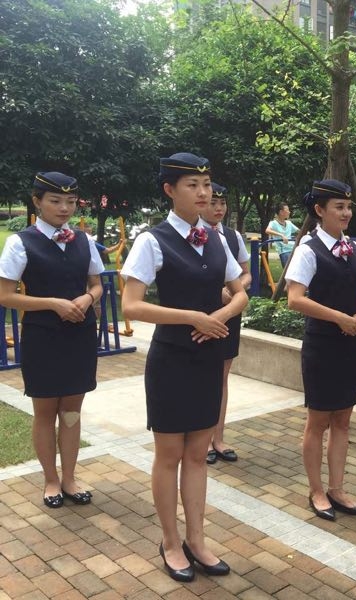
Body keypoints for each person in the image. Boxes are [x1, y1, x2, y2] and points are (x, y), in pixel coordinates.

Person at [121, 153, 247, 582]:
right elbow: (131, 305)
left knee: (197, 455)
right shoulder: (152, 240)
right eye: (192, 184)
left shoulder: (216, 239)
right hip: (172, 360)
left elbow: (240, 291)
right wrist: (193, 317)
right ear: (169, 190)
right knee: (169, 454)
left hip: (208, 358)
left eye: (206, 184)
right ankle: (171, 542)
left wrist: (221, 315)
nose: (204, 192)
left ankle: (197, 539)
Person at [0, 171, 103, 509]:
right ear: (37, 202)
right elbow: (5, 295)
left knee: (72, 410)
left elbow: (97, 284)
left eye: (70, 202)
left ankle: (70, 477)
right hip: (43, 337)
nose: (64, 208)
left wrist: (87, 298)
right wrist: (53, 304)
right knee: (45, 411)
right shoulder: (21, 242)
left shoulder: (84, 241)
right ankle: (50, 480)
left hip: (80, 336)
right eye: (55, 201)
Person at [285, 179, 356, 521]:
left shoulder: (353, 248)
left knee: (343, 419)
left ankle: (337, 488)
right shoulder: (308, 249)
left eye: (348, 207)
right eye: (339, 207)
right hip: (322, 345)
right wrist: (339, 317)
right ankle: (316, 490)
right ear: (319, 210)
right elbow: (295, 298)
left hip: (350, 342)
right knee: (318, 420)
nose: (346, 213)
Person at [200, 183, 252, 465]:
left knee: (221, 377)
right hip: (202, 315)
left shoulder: (233, 236)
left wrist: (236, 290)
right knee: (202, 377)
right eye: (213, 203)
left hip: (230, 313)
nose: (218, 208)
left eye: (222, 203)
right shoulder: (193, 236)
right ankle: (201, 439)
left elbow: (246, 273)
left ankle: (217, 438)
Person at [266, 202, 300, 266]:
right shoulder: (273, 223)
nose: (289, 212)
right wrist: (281, 235)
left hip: (294, 249)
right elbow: (267, 230)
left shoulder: (289, 223)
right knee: (289, 270)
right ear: (281, 212)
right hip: (284, 251)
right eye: (287, 210)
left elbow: (300, 231)